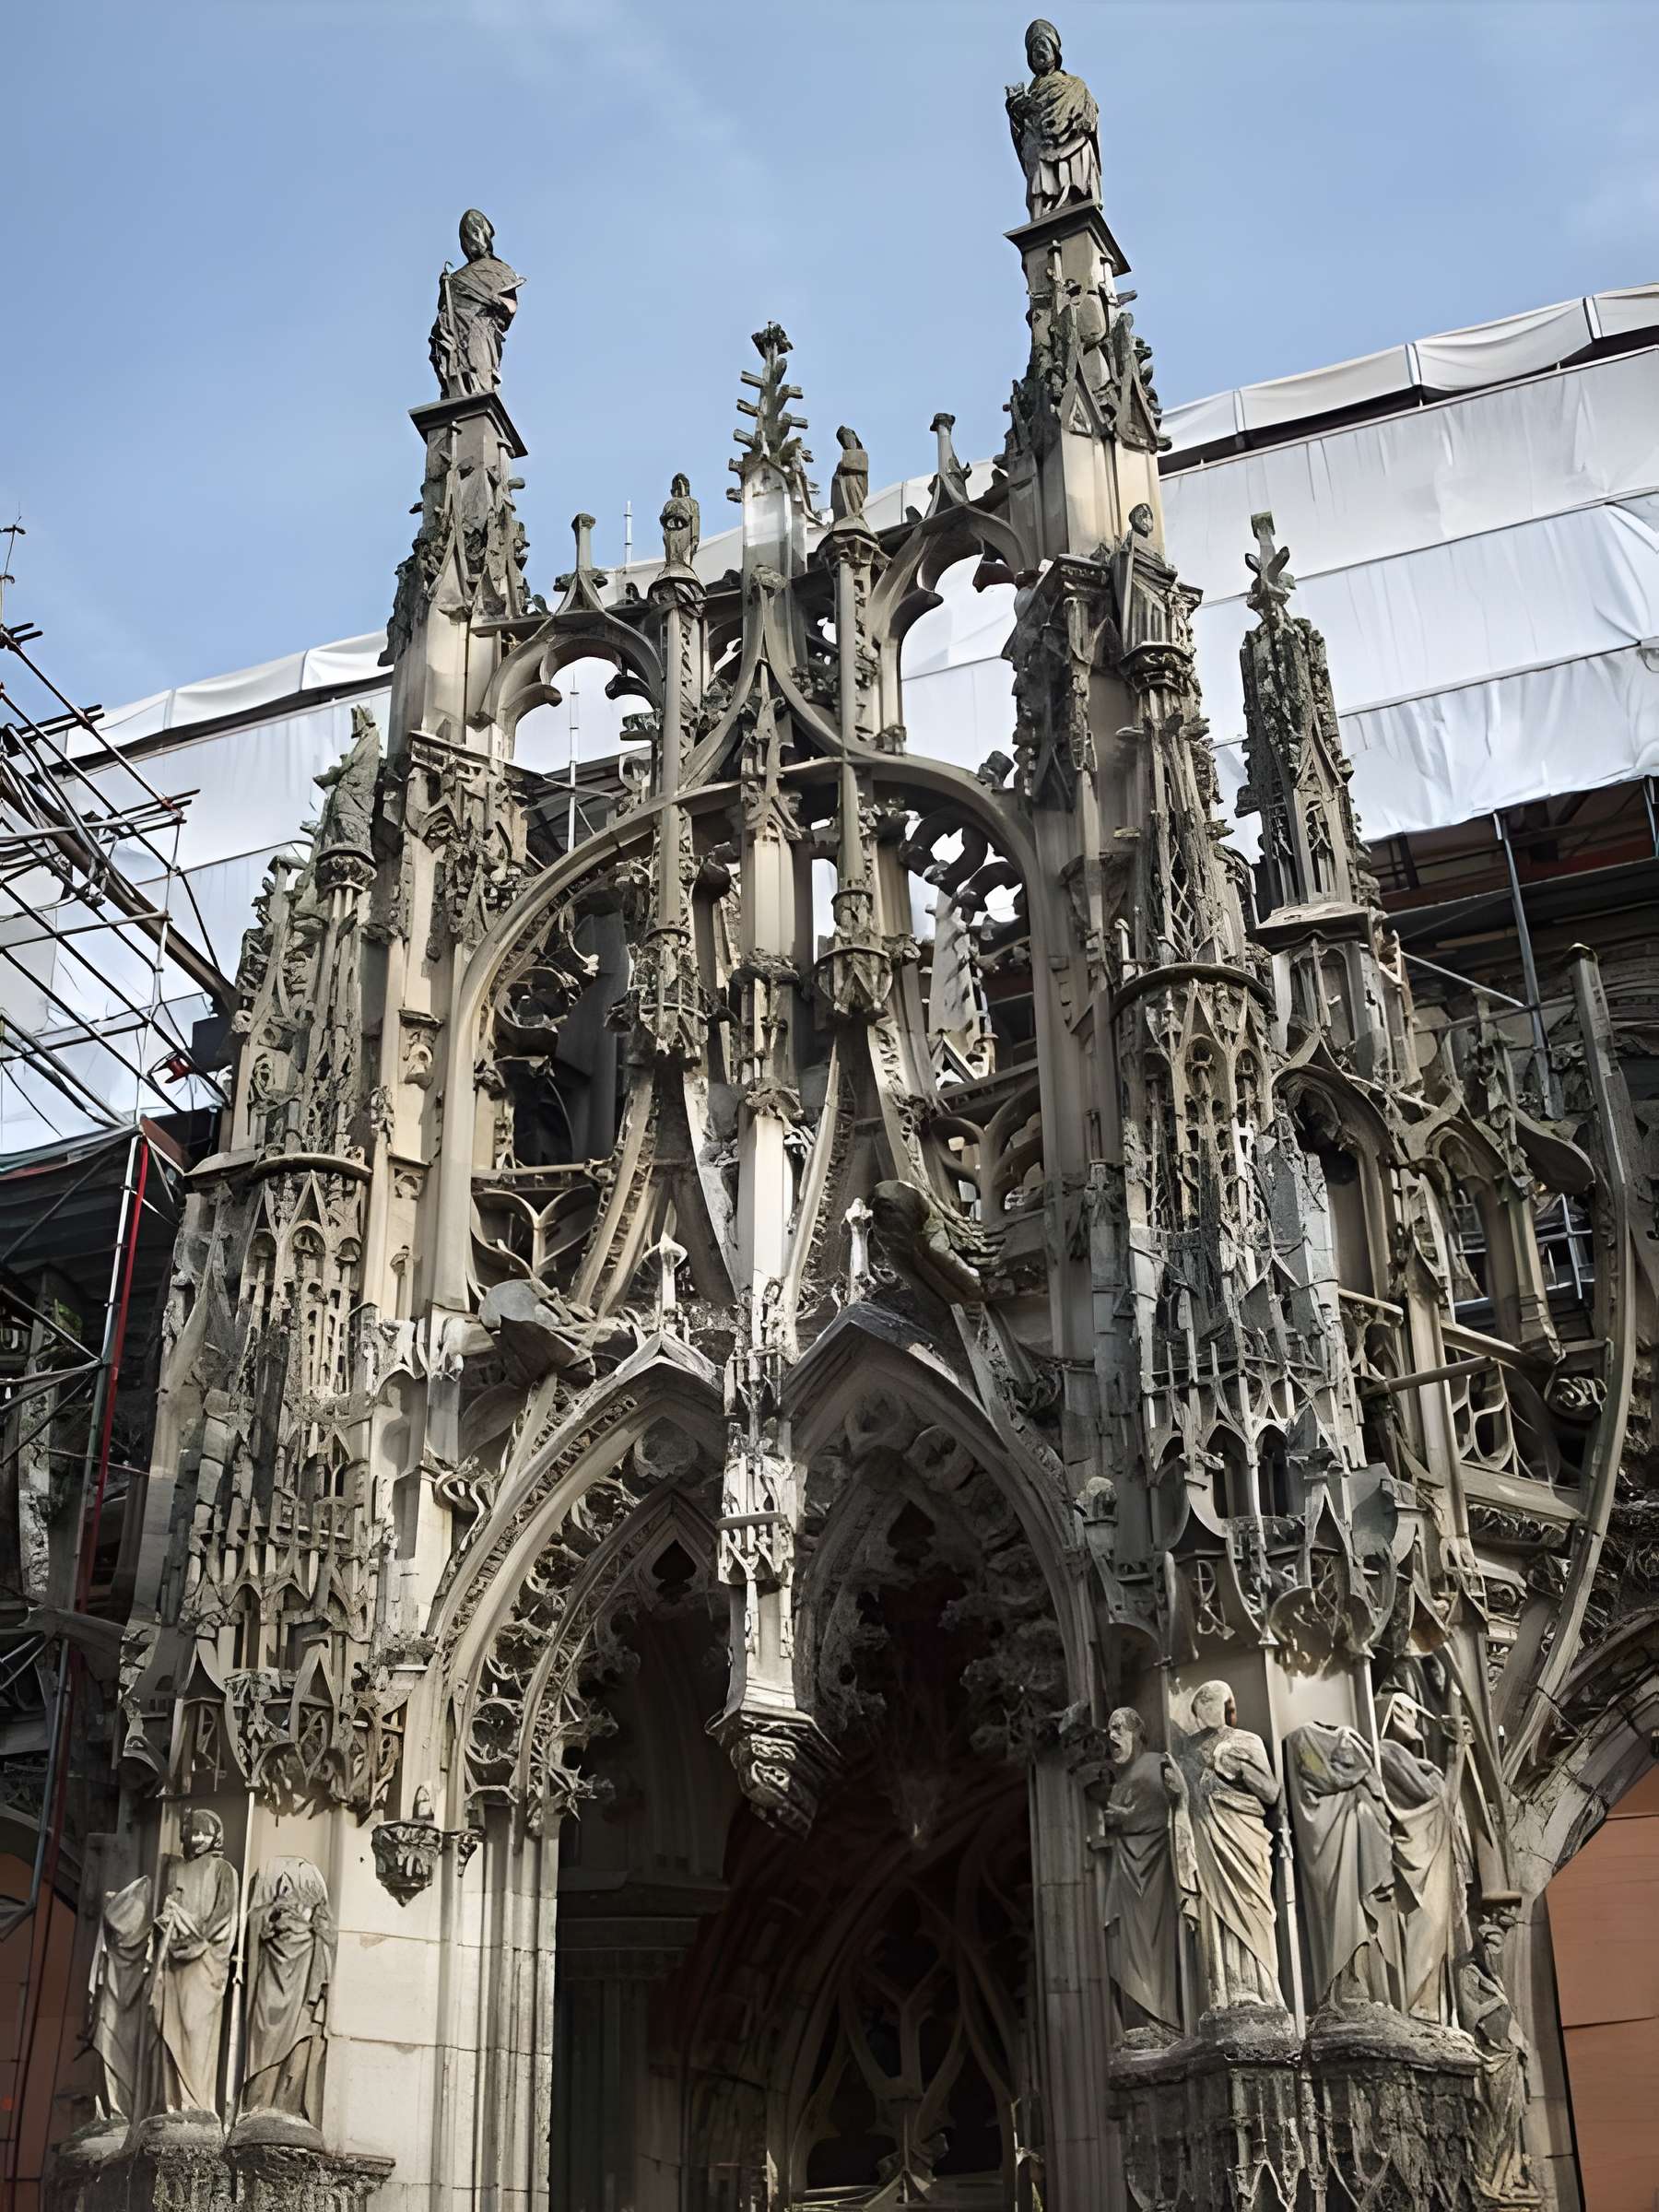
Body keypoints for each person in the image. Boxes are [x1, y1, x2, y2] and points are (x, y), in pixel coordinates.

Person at [1170, 1679, 1284, 2012]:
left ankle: (1263, 1989)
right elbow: (1183, 1801)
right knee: (1215, 1913)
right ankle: (1227, 1989)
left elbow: (1270, 1792)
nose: (1210, 1710)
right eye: (1202, 1704)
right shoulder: (1186, 1752)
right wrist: (1177, 1792)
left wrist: (1241, 1767)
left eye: (1215, 1702)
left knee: (1254, 1906)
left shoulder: (1247, 1741)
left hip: (1244, 1836)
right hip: (1207, 1836)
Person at [1285, 1722, 1394, 2009]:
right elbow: (1320, 1775)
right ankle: (1346, 1988)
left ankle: (1362, 1985)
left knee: (1358, 1915)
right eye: (1341, 1757)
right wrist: (1359, 1771)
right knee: (1340, 1916)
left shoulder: (1356, 1800)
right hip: (1325, 1849)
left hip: (1348, 1852)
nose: (1347, 1763)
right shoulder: (1302, 1739)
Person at [1096, 1706, 1187, 2033]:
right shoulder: (1123, 1779)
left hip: (1153, 1869)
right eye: (1109, 1730)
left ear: (1137, 1733)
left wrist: (1123, 1818)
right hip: (1127, 1870)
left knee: (1153, 1944)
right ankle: (1144, 2021)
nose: (1112, 1736)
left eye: (1119, 1728)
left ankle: (1162, 2018)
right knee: (1124, 1946)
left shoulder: (1154, 1764)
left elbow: (1168, 1811)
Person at [149, 1806, 240, 2115]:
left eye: (203, 1832)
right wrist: (167, 1921)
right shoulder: (174, 1870)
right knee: (168, 2030)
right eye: (191, 1832)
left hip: (203, 1966)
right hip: (173, 1963)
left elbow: (224, 1919)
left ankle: (197, 2101)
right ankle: (173, 2102)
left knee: (196, 2029)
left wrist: (194, 1934)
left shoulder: (223, 1870)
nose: (196, 1838)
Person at [242, 1857, 335, 2126]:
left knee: (299, 2054)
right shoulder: (266, 1918)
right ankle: (259, 2106)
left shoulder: (319, 1926)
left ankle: (287, 2109)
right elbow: (255, 1925)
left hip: (303, 2000)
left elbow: (329, 1948)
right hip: (269, 1992)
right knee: (264, 2053)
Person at [1006, 20, 1101, 220]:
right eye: (1034, 49)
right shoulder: (1029, 94)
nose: (1039, 51)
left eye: (1043, 45)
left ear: (1054, 52)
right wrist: (1015, 109)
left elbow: (1089, 118)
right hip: (1039, 151)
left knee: (1080, 152)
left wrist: (1074, 124)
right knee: (1035, 158)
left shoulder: (1075, 86)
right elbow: (1020, 135)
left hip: (1073, 145)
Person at [429, 211, 523, 399]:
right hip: (454, 339)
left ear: (486, 236)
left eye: (476, 232)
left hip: (479, 335)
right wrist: (448, 286)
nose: (472, 239)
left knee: (479, 387)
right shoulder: (454, 278)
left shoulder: (500, 270)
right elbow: (445, 309)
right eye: (467, 235)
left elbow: (509, 309)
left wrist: (491, 300)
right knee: (458, 391)